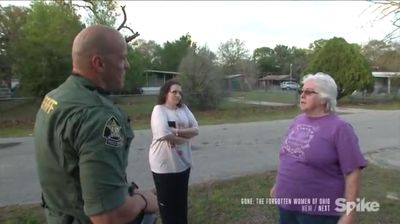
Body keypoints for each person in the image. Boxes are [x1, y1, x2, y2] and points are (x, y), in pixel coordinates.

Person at [34, 25, 158, 224]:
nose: (127, 65)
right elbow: (107, 216)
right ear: (98, 63)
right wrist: (144, 200)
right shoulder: (99, 117)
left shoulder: (55, 97)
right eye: (122, 58)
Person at [270, 72, 368, 224]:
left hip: (319, 213)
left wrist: (349, 214)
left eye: (308, 92)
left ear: (324, 98)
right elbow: (288, 156)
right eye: (301, 91)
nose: (302, 95)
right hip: (286, 204)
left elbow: (352, 173)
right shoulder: (297, 120)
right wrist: (278, 184)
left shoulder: (340, 128)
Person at [148, 79, 199, 224]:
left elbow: (196, 129)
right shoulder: (159, 110)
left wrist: (176, 131)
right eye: (174, 92)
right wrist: (184, 139)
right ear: (165, 93)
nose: (178, 95)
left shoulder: (184, 109)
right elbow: (163, 133)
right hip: (164, 166)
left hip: (183, 164)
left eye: (180, 93)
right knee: (168, 207)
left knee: (181, 203)